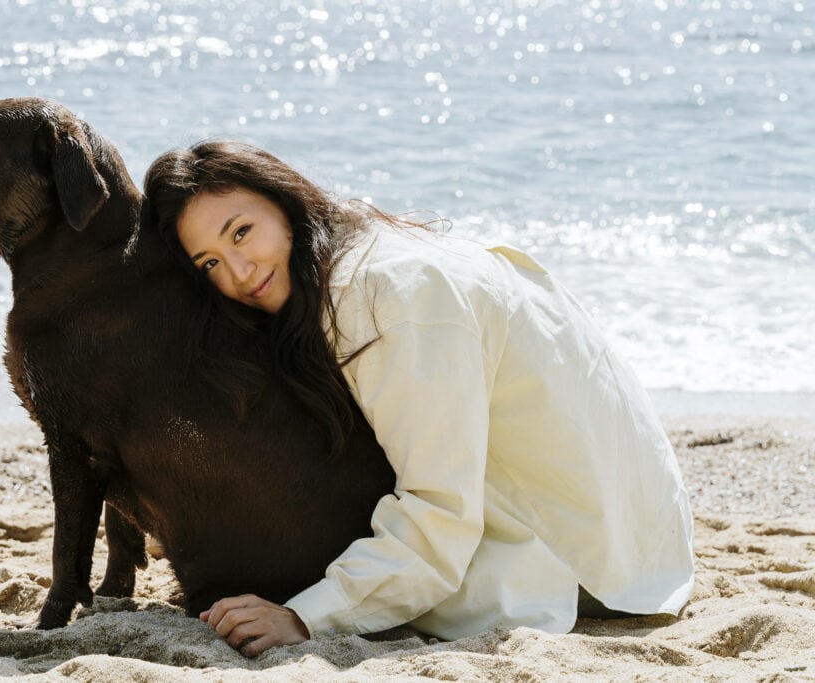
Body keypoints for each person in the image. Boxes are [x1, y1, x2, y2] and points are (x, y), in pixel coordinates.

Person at [139, 140, 695, 657]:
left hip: (589, 565)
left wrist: (304, 618)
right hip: (634, 525)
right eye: (209, 263)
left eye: (241, 232)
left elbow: (440, 511)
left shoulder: (383, 296)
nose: (239, 272)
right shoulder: (363, 250)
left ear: (284, 203)